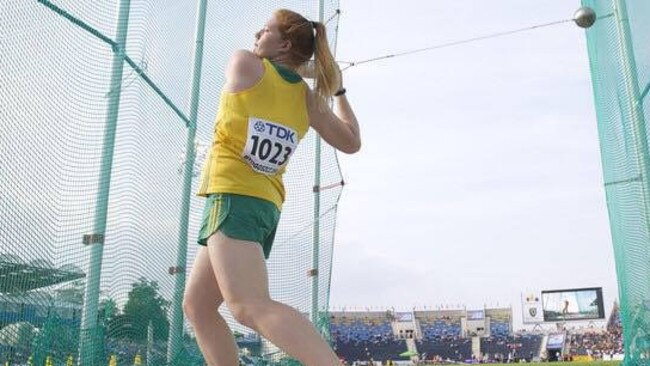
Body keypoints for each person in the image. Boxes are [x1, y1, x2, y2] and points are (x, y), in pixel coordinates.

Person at [182, 8, 361, 366]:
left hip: (233, 197)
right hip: (260, 207)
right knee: (198, 306)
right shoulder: (308, 100)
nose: (256, 35)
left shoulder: (247, 65)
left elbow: (252, 61)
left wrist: (311, 69)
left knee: (249, 305)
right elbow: (351, 141)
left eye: (265, 30)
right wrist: (336, 86)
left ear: (285, 44)